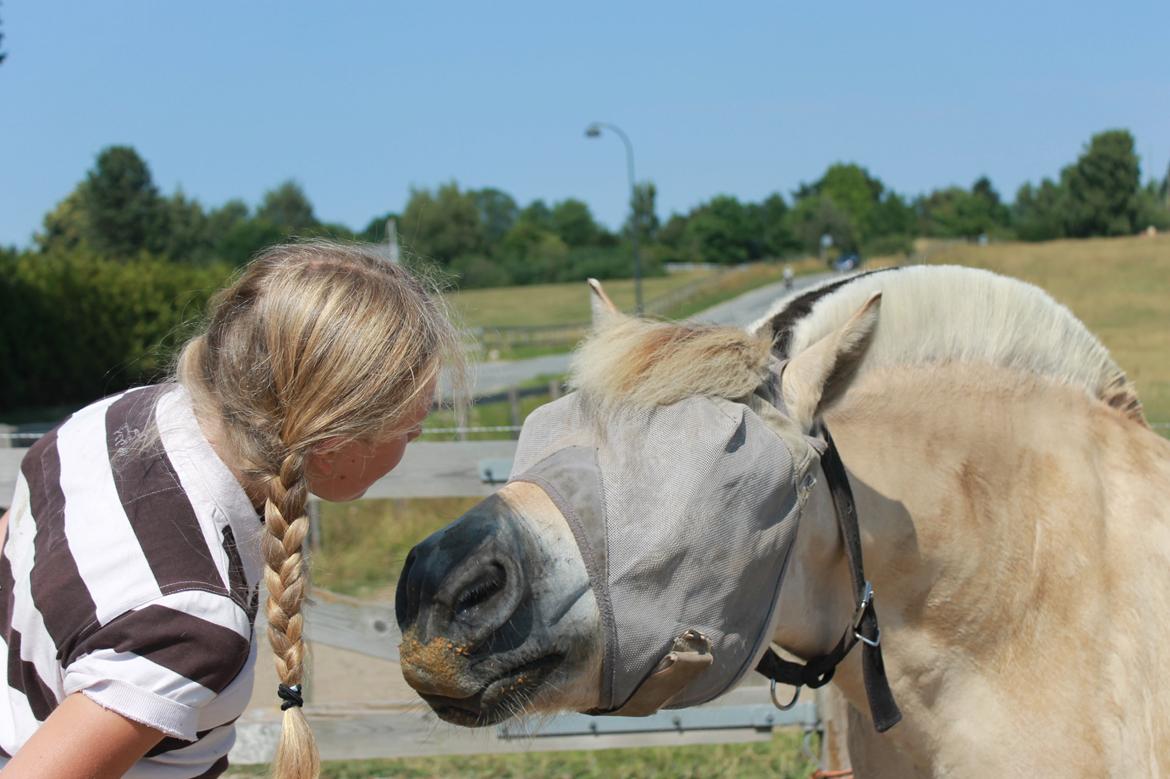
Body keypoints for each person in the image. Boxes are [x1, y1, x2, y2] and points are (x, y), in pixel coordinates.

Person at [0, 241, 463, 779]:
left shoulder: (110, 420)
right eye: (408, 428)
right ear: (334, 442)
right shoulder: (189, 615)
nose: (417, 436)